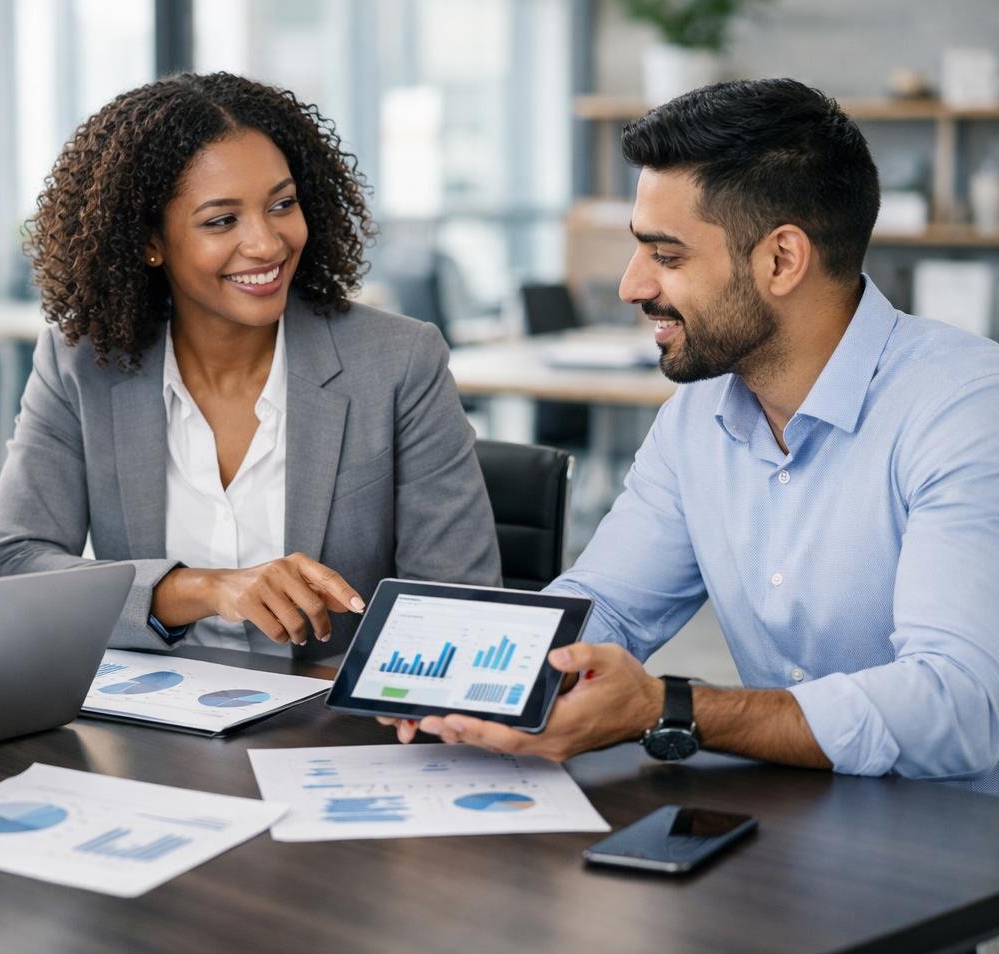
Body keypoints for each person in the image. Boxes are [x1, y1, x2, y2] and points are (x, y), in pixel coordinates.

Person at [382, 79, 999, 796]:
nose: (630, 286)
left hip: (963, 848)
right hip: (801, 817)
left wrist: (672, 707)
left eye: (666, 257)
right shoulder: (699, 413)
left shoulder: (966, 409)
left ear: (781, 260)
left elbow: (959, 707)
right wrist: (464, 680)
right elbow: (604, 605)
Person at [0, 72, 499, 659]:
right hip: (149, 728)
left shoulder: (398, 361)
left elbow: (460, 601)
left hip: (333, 725)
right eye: (221, 220)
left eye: (282, 205)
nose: (267, 243)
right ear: (149, 241)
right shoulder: (82, 362)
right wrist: (198, 589)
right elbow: (13, 564)